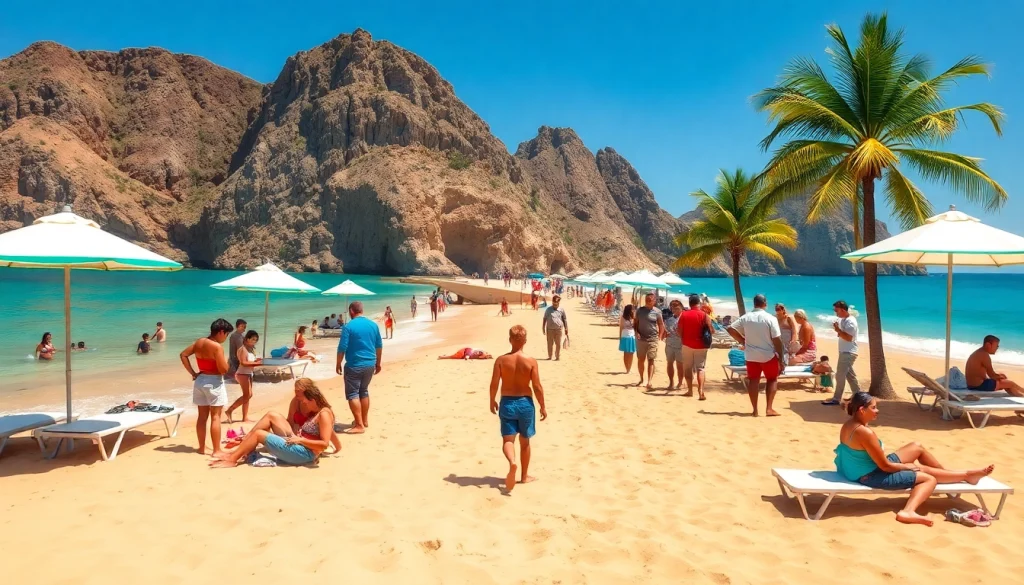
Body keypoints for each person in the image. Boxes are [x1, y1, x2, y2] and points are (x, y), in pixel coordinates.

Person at [836, 392, 994, 526]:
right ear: (862, 410)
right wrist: (907, 467)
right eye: (874, 408)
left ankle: (950, 475)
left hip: (862, 467)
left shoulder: (850, 424)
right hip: (869, 475)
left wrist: (907, 466)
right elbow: (885, 466)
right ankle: (908, 511)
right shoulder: (864, 432)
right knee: (928, 478)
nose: (877, 411)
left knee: (916, 447)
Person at [210, 379, 336, 468]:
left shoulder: (324, 414)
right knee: (269, 419)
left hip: (305, 454)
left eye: (304, 401)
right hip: (301, 448)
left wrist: (300, 440)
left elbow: (324, 444)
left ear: (312, 399)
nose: (303, 403)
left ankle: (232, 459)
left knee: (259, 434)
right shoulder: (315, 412)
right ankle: (239, 451)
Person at [489, 325, 547, 492]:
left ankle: (512, 463)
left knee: (508, 440)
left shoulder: (501, 360)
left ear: (510, 340)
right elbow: (537, 386)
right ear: (525, 341)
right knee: (525, 441)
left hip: (507, 403)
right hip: (525, 404)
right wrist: (542, 406)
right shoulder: (531, 361)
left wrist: (492, 400)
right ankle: (524, 476)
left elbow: (494, 384)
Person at [180, 319, 233, 455]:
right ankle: (216, 450)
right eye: (226, 334)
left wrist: (193, 373)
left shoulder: (199, 342)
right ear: (221, 332)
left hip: (200, 380)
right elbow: (222, 370)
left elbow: (183, 355)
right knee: (216, 417)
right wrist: (227, 364)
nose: (225, 338)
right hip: (214, 381)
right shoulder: (216, 347)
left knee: (202, 417)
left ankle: (202, 448)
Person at [728, 294, 786, 416]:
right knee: (772, 379)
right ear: (765, 303)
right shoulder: (770, 318)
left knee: (753, 380)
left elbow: (730, 329)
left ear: (754, 303)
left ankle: (755, 410)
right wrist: (781, 357)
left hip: (751, 355)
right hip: (768, 355)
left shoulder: (746, 317)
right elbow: (777, 339)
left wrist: (742, 340)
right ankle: (769, 409)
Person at [336, 301, 383, 434]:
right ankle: (364, 420)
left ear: (351, 311)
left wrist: (338, 363)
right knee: (364, 391)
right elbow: (379, 346)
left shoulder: (348, 326)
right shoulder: (373, 325)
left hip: (354, 365)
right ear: (362, 310)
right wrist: (378, 363)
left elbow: (342, 347)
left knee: (353, 394)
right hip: (370, 364)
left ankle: (359, 425)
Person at [287, 378, 341, 453]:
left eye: (298, 391)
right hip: (297, 434)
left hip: (310, 439)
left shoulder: (317, 406)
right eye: (295, 391)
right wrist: (291, 434)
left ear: (308, 392)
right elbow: (290, 419)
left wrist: (337, 446)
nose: (296, 394)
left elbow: (327, 427)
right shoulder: (296, 401)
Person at [822, 300, 861, 406]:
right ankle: (858, 396)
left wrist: (838, 330)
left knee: (840, 375)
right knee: (850, 375)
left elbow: (848, 338)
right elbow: (843, 334)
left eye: (837, 310)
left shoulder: (851, 322)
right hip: (845, 352)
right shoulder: (844, 320)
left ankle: (836, 399)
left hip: (848, 352)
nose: (835, 312)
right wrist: (838, 329)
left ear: (843, 310)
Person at [679, 294, 713, 400]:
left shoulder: (684, 314)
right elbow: (711, 330)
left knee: (688, 368)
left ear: (689, 304)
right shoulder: (704, 315)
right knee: (700, 368)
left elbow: (679, 330)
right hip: (701, 345)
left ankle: (690, 390)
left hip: (687, 344)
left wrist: (683, 338)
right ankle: (701, 391)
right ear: (699, 303)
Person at [226, 331, 262, 423]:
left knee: (248, 396)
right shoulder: (242, 349)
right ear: (247, 338)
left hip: (249, 373)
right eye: (253, 339)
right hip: (242, 373)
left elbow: (250, 361)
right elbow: (243, 362)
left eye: (256, 340)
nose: (254, 341)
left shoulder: (250, 349)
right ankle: (229, 410)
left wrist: (256, 361)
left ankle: (245, 417)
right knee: (248, 395)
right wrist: (257, 363)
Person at [633, 293, 666, 390]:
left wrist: (660, 336)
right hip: (641, 339)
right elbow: (635, 323)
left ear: (654, 301)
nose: (648, 301)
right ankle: (641, 378)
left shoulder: (657, 312)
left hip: (652, 339)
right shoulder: (640, 311)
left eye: (650, 299)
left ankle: (649, 381)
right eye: (647, 299)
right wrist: (636, 332)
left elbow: (661, 324)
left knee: (651, 359)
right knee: (641, 360)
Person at [663, 300, 685, 390]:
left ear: (681, 308)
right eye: (673, 308)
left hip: (681, 345)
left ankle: (680, 382)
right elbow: (664, 332)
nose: (674, 310)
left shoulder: (685, 318)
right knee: (669, 363)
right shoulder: (669, 320)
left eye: (677, 308)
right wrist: (665, 334)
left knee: (680, 365)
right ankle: (671, 382)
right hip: (669, 344)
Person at [541, 295, 568, 361]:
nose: (554, 305)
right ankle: (550, 356)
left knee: (558, 344)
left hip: (558, 329)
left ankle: (557, 356)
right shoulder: (548, 309)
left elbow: (564, 319)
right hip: (549, 329)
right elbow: (544, 318)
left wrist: (566, 328)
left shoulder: (561, 310)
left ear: (559, 303)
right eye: (553, 304)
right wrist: (543, 327)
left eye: (556, 304)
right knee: (550, 343)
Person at [618, 304, 636, 374]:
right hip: (625, 336)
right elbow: (621, 328)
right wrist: (620, 337)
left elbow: (636, 327)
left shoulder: (633, 317)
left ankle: (629, 368)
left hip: (632, 336)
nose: (633, 310)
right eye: (632, 309)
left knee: (631, 353)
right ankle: (627, 368)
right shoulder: (623, 318)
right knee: (626, 353)